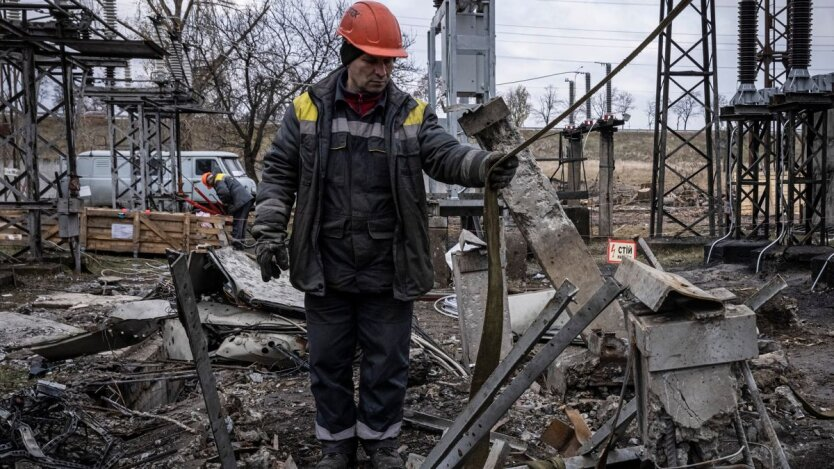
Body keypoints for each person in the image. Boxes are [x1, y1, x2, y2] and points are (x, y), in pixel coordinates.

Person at [251, 2, 518, 467]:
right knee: (328, 365)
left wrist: (483, 166)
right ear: (346, 56)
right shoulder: (306, 108)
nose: (381, 71)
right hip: (326, 264)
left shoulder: (410, 113)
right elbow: (278, 172)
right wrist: (269, 230)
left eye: (388, 61)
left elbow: (444, 155)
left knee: (386, 365)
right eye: (371, 61)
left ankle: (379, 445)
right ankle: (336, 447)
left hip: (387, 265)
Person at [202, 171, 254, 246]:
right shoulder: (221, 176)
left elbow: (224, 193)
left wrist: (228, 204)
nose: (212, 186)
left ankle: (237, 245)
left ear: (209, 181)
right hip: (246, 200)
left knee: (238, 223)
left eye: (210, 185)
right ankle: (241, 244)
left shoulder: (218, 180)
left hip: (241, 201)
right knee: (242, 223)